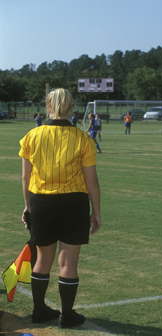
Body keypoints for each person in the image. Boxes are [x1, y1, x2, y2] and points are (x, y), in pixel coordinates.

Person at [19, 88, 101, 329]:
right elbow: (92, 182)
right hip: (73, 204)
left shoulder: (32, 136)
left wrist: (28, 208)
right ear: (72, 109)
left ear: (48, 108)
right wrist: (96, 212)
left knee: (43, 259)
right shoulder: (83, 139)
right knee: (68, 262)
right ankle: (67, 315)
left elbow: (25, 179)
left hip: (41, 202)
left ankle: (39, 311)